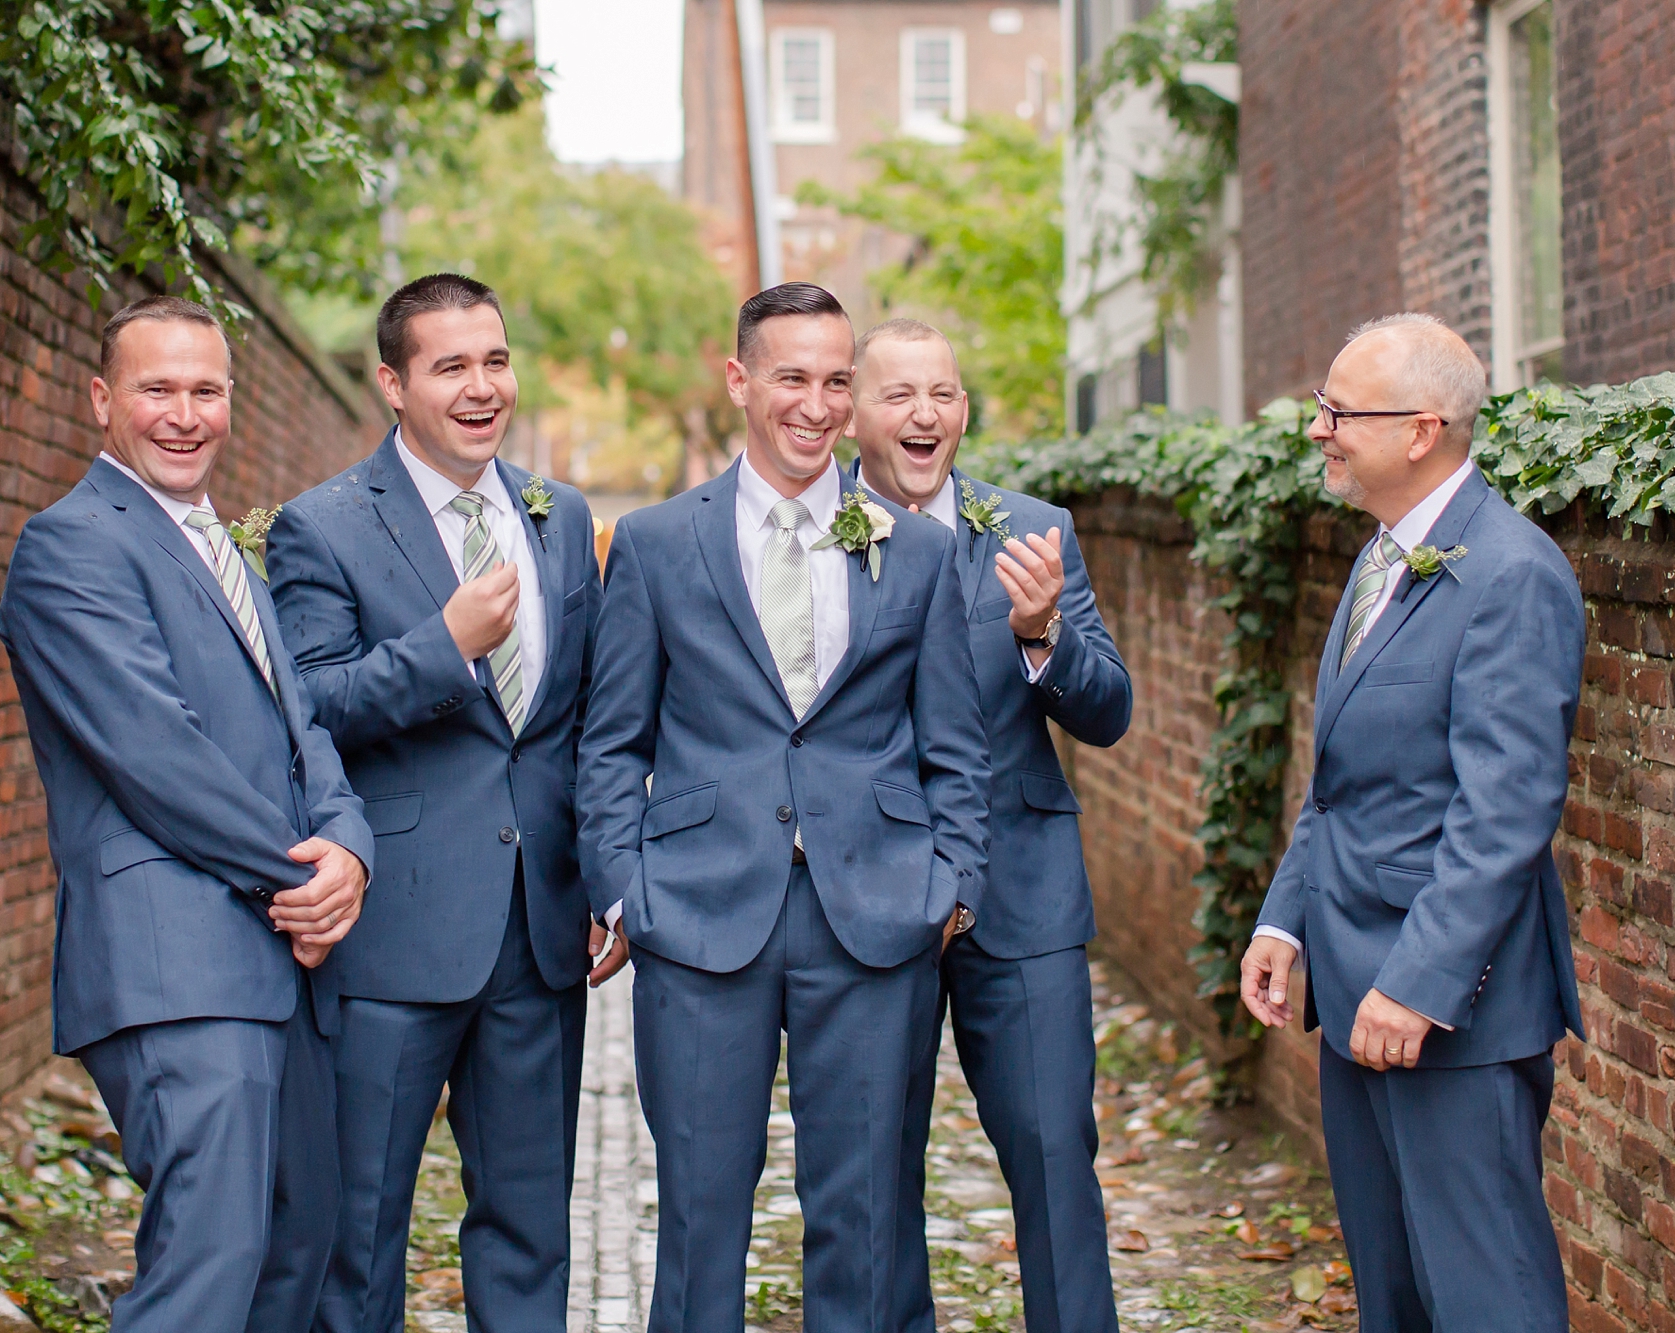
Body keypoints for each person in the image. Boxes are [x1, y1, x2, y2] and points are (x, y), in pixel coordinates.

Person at [576, 283, 991, 1333]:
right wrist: (625, 892)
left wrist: (951, 887)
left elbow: (953, 745)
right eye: (791, 377)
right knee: (700, 1217)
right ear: (739, 381)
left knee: (861, 1218)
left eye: (836, 380)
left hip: (875, 915)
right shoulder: (660, 543)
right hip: (699, 914)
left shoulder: (921, 548)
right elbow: (612, 738)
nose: (815, 404)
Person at [0, 296, 374, 1333]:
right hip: (177, 968)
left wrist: (349, 847)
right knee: (207, 1271)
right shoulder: (69, 546)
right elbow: (157, 757)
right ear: (101, 400)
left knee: (299, 1241)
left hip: (277, 971)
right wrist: (303, 878)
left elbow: (306, 734)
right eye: (157, 389)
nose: (183, 413)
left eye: (205, 390)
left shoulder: (227, 551)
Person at [265, 272, 611, 1333]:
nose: (480, 386)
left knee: (528, 1226)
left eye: (494, 360)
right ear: (392, 382)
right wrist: (441, 648)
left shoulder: (559, 518)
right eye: (449, 365)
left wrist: (604, 875)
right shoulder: (321, 526)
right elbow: (304, 706)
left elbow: (585, 720)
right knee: (359, 1230)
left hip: (537, 933)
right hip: (392, 936)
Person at [1239, 313, 1583, 1333]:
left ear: (1421, 429)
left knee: (1485, 1294)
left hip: (1446, 1010)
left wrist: (1417, 985)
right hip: (1350, 986)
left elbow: (1504, 812)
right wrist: (1283, 919)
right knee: (1391, 1291)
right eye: (1320, 406)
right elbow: (1341, 780)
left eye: (1339, 411)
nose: (1319, 430)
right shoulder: (1383, 556)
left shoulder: (1511, 575)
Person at [847, 319, 1132, 1333]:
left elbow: (1106, 712)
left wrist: (1043, 633)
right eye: (900, 394)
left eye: (945, 393)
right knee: (874, 1172)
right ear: (853, 408)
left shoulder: (1031, 529)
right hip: (866, 899)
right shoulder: (807, 531)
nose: (927, 414)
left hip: (1023, 897)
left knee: (1056, 1154)